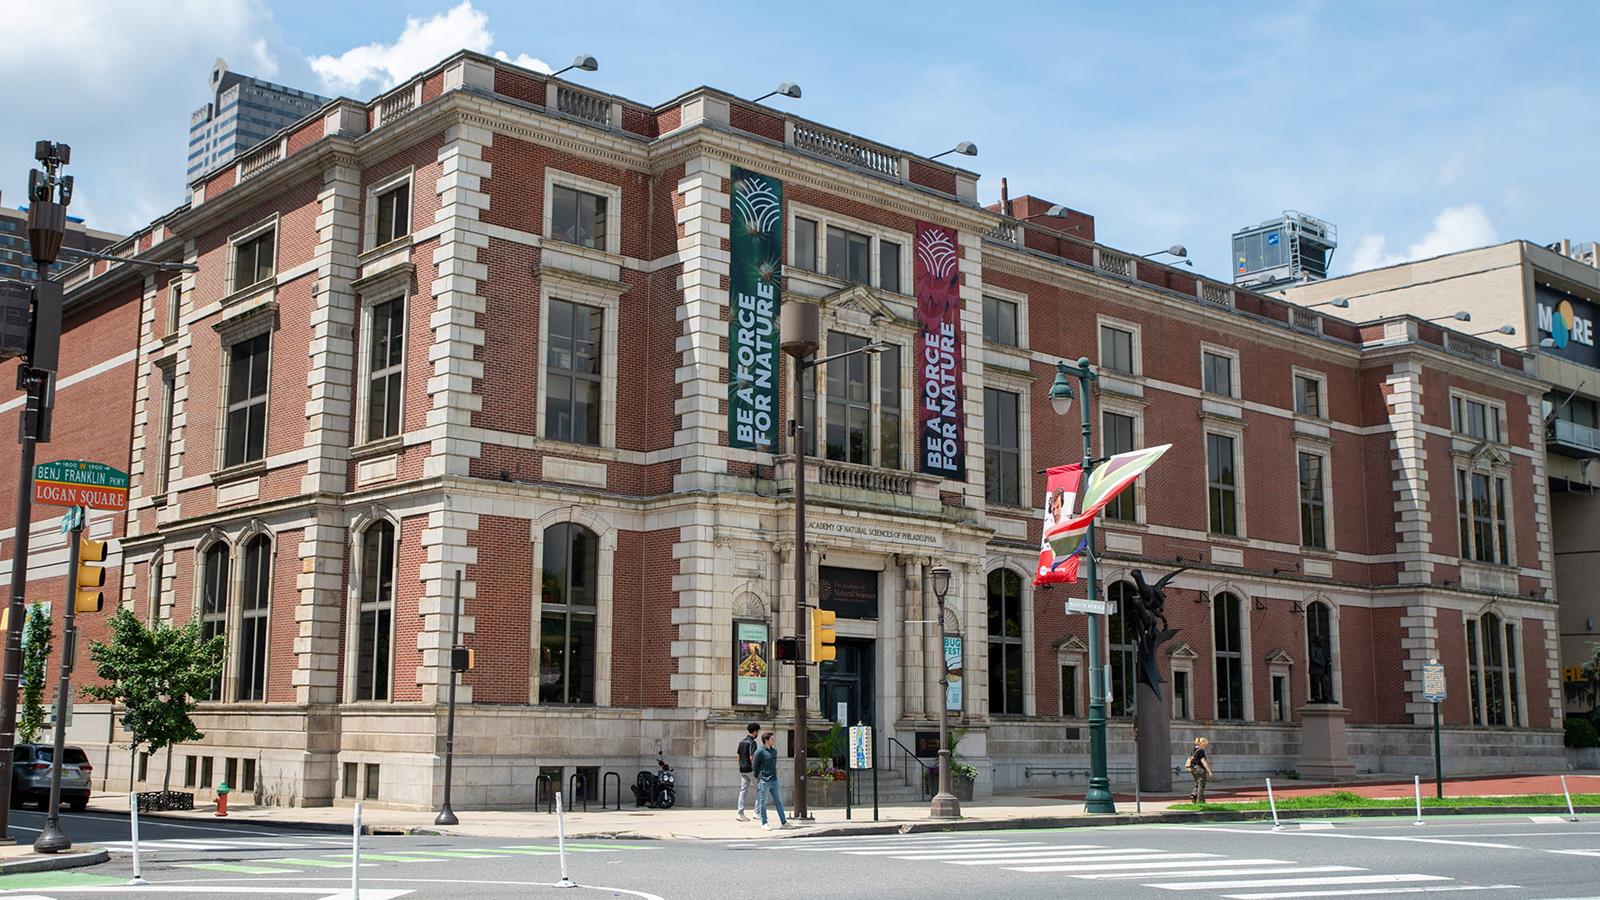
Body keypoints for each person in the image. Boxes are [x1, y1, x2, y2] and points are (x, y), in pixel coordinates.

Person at [753, 731, 789, 830]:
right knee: (763, 803)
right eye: (772, 739)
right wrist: (760, 777)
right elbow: (755, 767)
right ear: (766, 740)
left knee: (779, 802)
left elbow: (774, 763)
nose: (773, 740)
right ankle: (764, 823)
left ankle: (784, 822)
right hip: (764, 780)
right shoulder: (759, 752)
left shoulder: (774, 751)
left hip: (774, 779)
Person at [735, 722, 760, 821]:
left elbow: (738, 756)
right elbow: (752, 757)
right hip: (750, 769)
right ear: (755, 731)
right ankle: (756, 812)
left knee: (743, 790)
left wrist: (742, 764)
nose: (758, 733)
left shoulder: (741, 741)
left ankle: (740, 813)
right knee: (760, 789)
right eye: (758, 731)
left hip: (742, 769)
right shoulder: (752, 742)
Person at [1186, 737, 1213, 804]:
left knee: (1199, 784)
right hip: (1200, 769)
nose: (1205, 746)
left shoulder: (1193, 749)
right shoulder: (1201, 751)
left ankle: (1194, 794)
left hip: (1193, 769)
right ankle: (1199, 801)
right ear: (1202, 744)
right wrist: (1209, 771)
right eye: (1205, 745)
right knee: (1202, 786)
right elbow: (1203, 761)